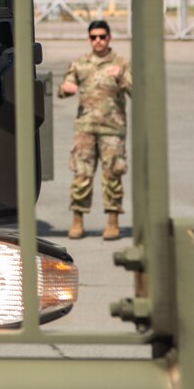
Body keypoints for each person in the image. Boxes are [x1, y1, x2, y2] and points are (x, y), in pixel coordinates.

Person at [58, 19, 132, 240]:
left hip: (112, 129)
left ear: (109, 38)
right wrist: (66, 89)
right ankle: (78, 220)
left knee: (112, 175)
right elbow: (64, 87)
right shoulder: (80, 63)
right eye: (93, 37)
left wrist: (120, 76)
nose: (98, 41)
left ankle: (112, 221)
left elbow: (137, 88)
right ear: (89, 39)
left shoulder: (121, 63)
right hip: (86, 129)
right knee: (82, 174)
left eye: (102, 36)